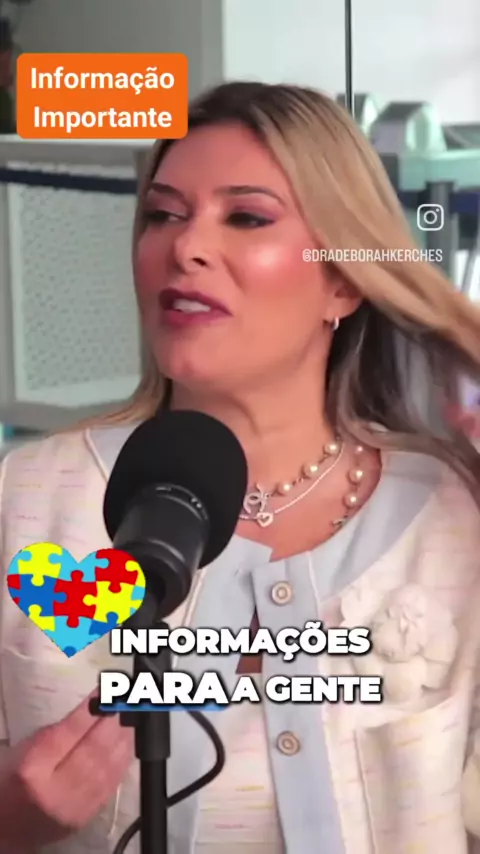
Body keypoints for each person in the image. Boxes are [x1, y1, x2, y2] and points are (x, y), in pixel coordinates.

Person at [0, 80, 480, 854]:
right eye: (162, 215)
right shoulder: (31, 502)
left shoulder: (452, 517)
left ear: (342, 280)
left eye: (247, 217)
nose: (184, 247)